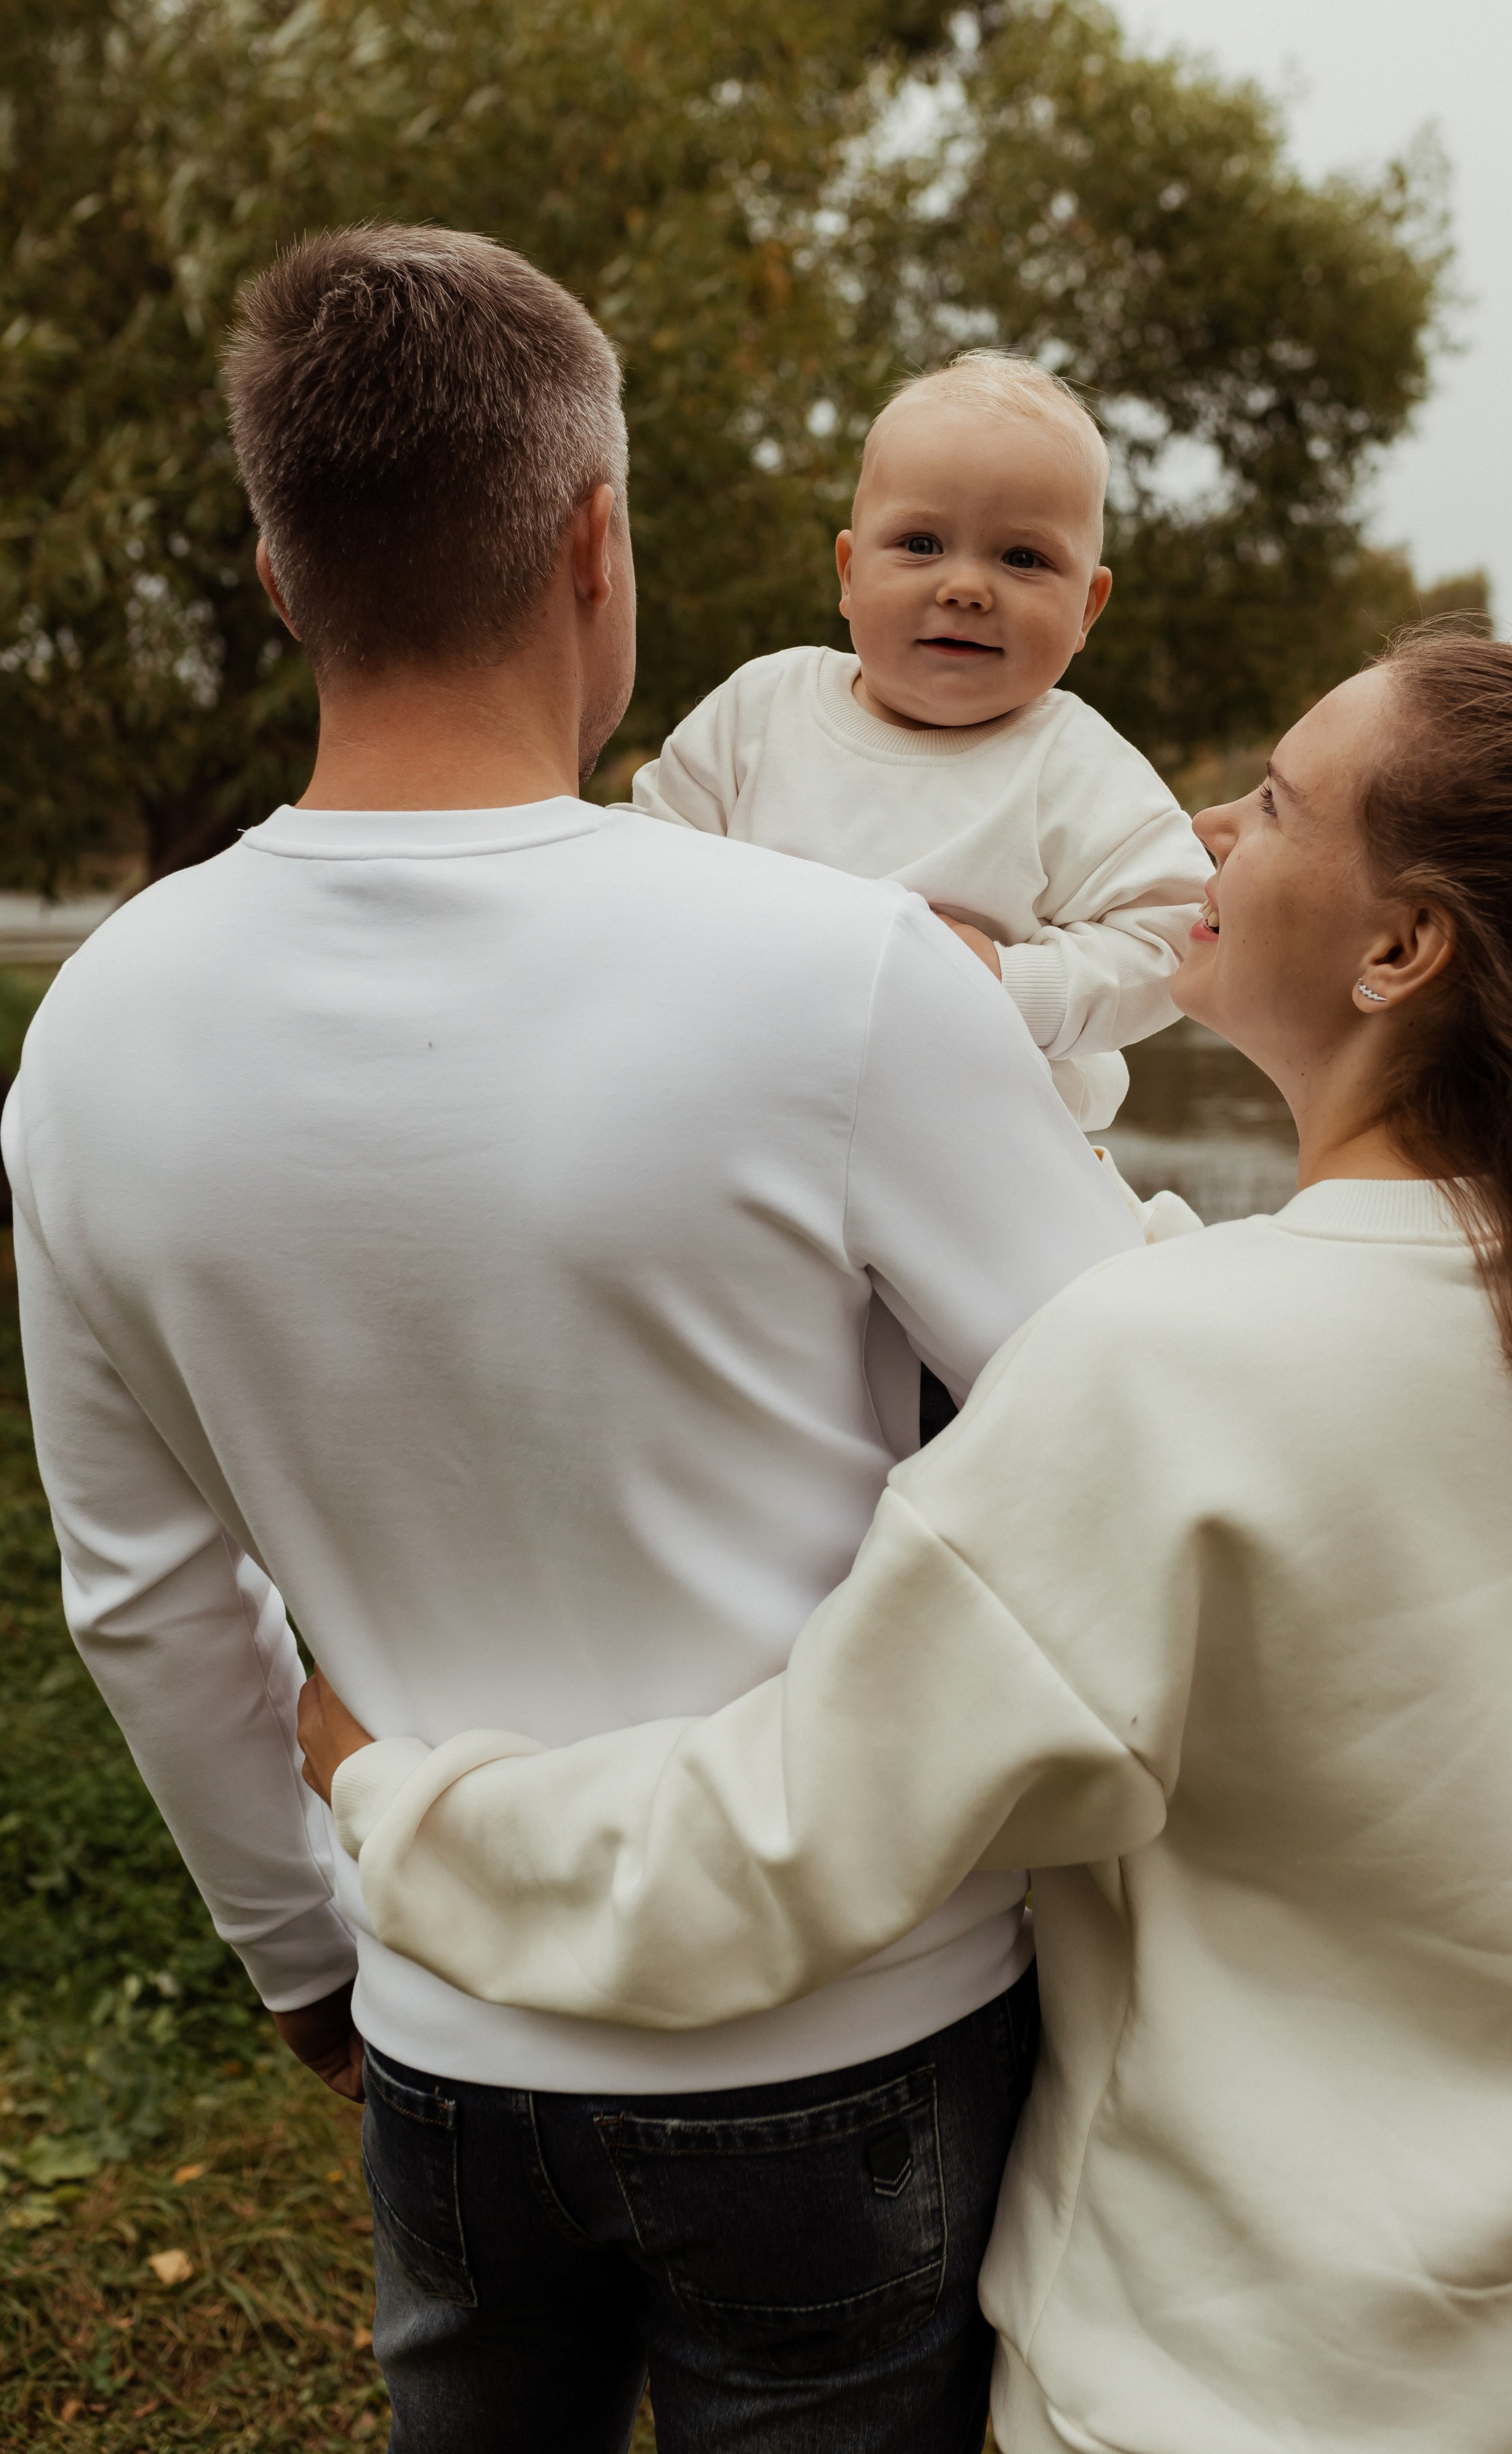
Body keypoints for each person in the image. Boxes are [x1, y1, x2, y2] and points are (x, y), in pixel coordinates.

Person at [304, 634, 1512, 2454]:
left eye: (1273, 802)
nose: (1203, 823)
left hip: (1222, 2380)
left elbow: (781, 1843)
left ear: (1397, 949)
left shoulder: (1171, 1372)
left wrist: (393, 1798)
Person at [1, 224, 1146, 2454]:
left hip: (446, 2018)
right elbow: (1134, 1430)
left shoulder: (99, 1030)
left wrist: (316, 1961)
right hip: (858, 2026)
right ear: (595, 540)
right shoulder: (852, 975)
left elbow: (147, 1600)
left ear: (273, 562)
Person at [629, 349, 1209, 1138]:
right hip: (752, 1110)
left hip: (980, 1140)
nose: (965, 587)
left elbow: (1170, 935)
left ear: (1088, 609)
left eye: (1023, 558)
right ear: (846, 571)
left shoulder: (1075, 766)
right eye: (921, 544)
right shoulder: (761, 709)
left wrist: (1009, 981)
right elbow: (644, 869)